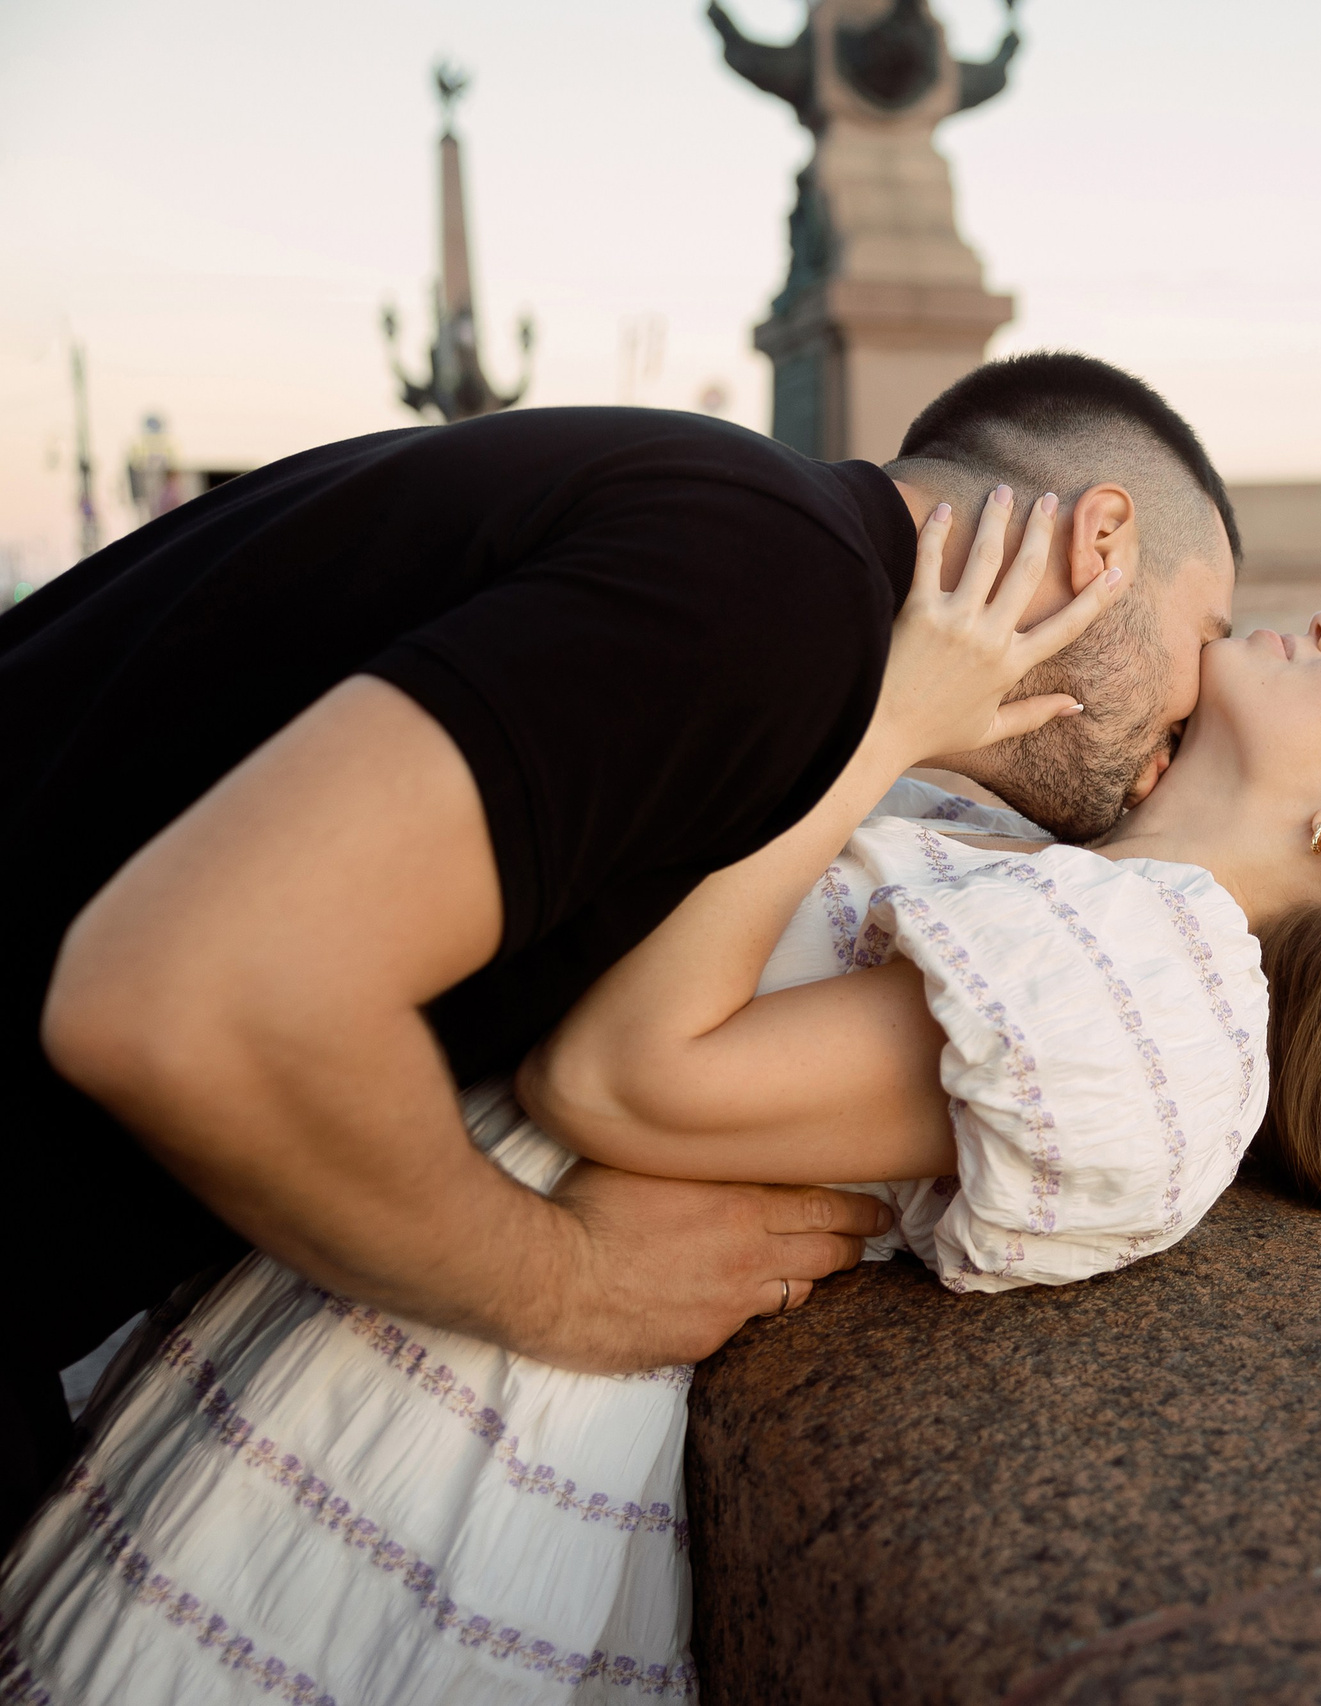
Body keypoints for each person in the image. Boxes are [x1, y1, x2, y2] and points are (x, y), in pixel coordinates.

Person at [0, 490, 1321, 1704]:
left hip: (467, 1418)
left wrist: (887, 710)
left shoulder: (1156, 987)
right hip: (406, 1319)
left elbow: (621, 1075)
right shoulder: (1063, 887)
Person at [0, 353, 1241, 1547]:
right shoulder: (768, 594)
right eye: (1207, 632)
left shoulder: (740, 528)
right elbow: (185, 998)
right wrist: (571, 1282)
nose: (1197, 715)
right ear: (1103, 541)